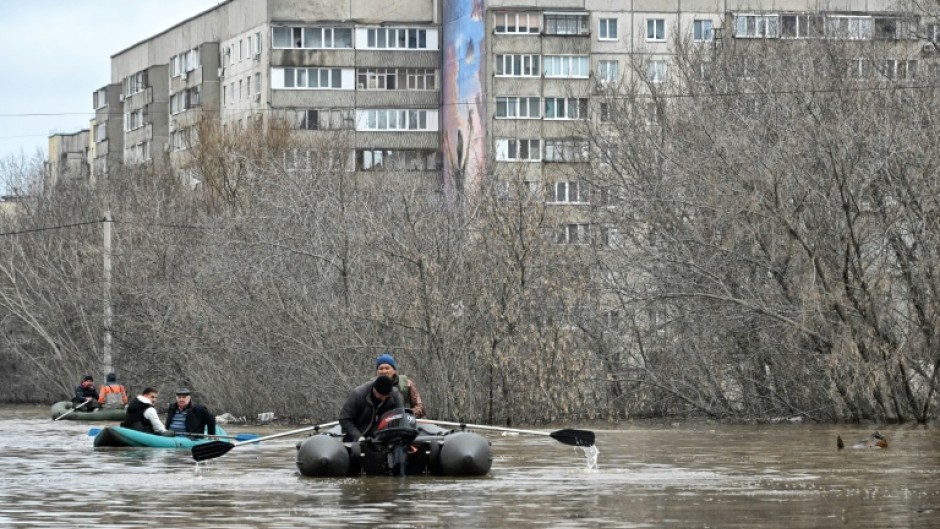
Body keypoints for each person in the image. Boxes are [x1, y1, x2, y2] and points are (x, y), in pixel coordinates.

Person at [339, 375, 403, 442]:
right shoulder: (358, 394)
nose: (383, 399)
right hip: (357, 436)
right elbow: (344, 419)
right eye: (381, 396)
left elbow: (400, 415)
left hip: (381, 437)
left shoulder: (394, 394)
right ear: (374, 389)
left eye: (386, 396)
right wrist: (358, 437)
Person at [374, 353, 426, 418]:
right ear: (377, 372)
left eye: (387, 368)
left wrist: (408, 414)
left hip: (404, 421)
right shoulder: (371, 387)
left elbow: (420, 407)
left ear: (394, 371)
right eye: (381, 369)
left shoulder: (406, 383)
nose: (384, 371)